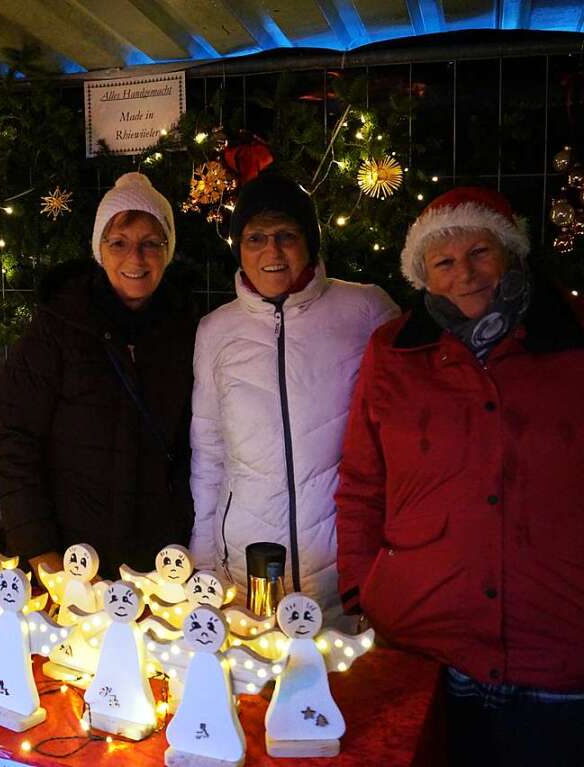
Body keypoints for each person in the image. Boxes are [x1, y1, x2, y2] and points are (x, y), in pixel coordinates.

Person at [335, 187, 584, 765]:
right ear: (423, 276)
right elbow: (362, 485)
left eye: (480, 253)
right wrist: (363, 589)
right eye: (443, 263)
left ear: (512, 254)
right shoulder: (393, 350)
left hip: (556, 653)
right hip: (424, 648)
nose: (465, 275)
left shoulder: (570, 340)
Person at [189, 174, 397, 624]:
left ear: (311, 241)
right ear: (238, 247)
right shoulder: (215, 331)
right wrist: (204, 558)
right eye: (256, 238)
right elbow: (209, 453)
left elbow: (397, 441)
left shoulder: (365, 311)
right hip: (245, 575)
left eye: (286, 236)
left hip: (344, 575)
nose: (272, 252)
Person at [0, 172, 196, 578]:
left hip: (161, 565)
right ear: (99, 250)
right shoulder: (57, 327)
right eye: (118, 243)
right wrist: (39, 551)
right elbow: (16, 440)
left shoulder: (188, 329)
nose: (135, 259)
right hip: (71, 560)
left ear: (168, 251)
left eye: (150, 244)